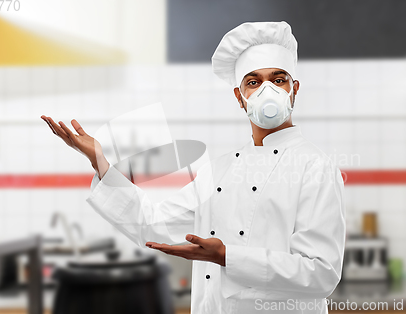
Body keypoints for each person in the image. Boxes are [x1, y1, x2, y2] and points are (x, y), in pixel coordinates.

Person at [41, 21, 346, 314]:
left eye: (278, 79)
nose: (268, 90)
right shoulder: (220, 171)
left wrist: (227, 256)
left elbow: (321, 274)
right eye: (253, 82)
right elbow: (152, 224)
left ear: (294, 89)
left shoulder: (315, 167)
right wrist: (101, 161)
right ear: (240, 97)